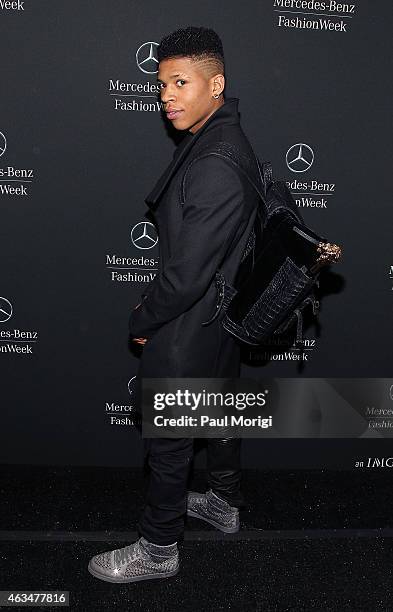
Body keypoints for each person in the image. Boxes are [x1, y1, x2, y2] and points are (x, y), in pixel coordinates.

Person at [88, 26, 262, 584]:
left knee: (169, 438)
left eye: (180, 82)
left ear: (216, 83)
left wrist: (144, 320)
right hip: (217, 318)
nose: (166, 95)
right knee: (216, 411)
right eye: (163, 84)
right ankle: (223, 502)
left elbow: (186, 274)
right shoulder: (220, 137)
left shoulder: (215, 159)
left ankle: (158, 549)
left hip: (192, 321)